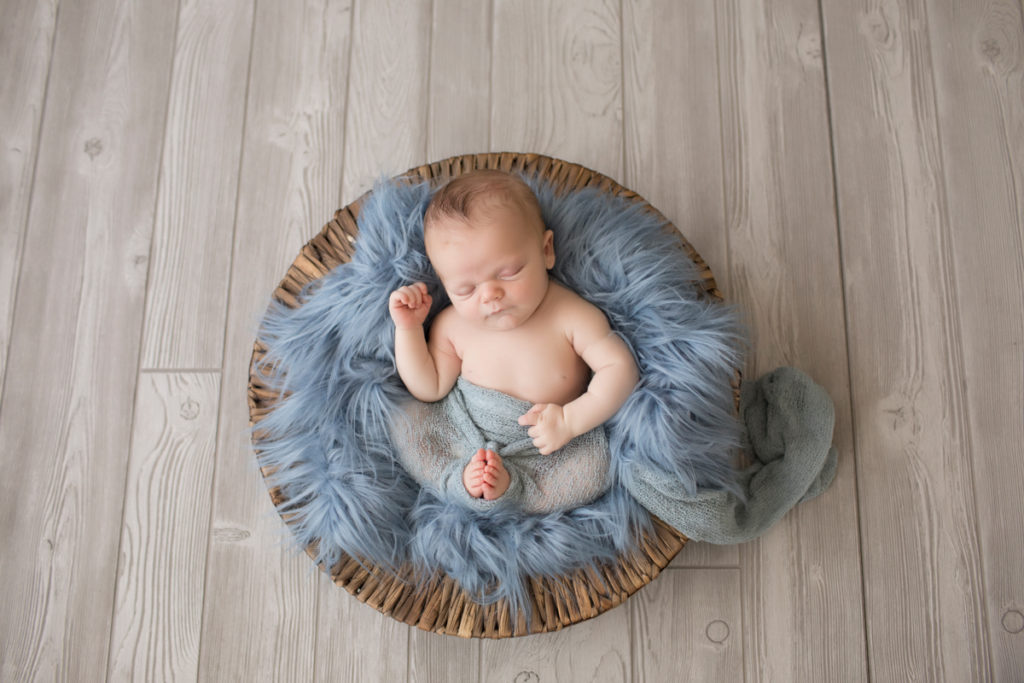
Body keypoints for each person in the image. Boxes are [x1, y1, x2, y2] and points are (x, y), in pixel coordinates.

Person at [388, 169, 639, 508]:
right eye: (466, 289)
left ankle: (510, 492)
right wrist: (408, 330)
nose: (490, 295)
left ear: (546, 251)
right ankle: (464, 481)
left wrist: (571, 420)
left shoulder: (570, 315)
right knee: (407, 426)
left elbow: (619, 367)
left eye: (508, 273)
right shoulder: (453, 325)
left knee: (593, 468)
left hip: (549, 448)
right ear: (446, 286)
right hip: (464, 436)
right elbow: (428, 388)